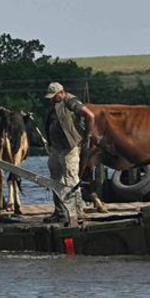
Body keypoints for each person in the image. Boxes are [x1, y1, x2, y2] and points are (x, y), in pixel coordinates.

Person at [43, 82, 96, 224]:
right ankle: (59, 212)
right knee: (55, 179)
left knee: (71, 179)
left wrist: (87, 137)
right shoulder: (54, 104)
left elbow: (90, 116)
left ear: (61, 92)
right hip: (56, 147)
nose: (52, 99)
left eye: (54, 96)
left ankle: (76, 213)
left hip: (69, 147)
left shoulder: (71, 102)